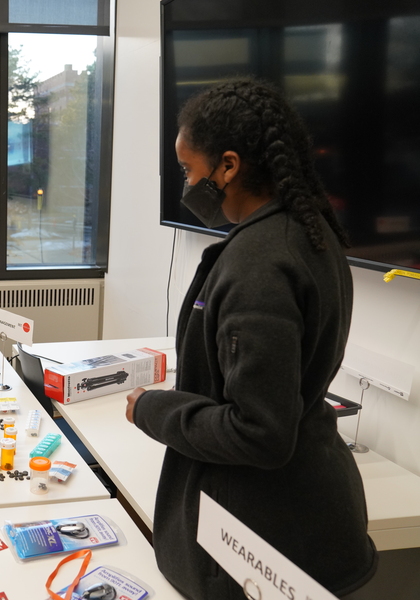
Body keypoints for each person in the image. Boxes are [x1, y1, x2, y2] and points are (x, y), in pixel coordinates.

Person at [124, 78, 378, 599]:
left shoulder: (260, 264)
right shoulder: (310, 235)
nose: (188, 185)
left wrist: (152, 409)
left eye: (190, 171)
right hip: (306, 510)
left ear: (229, 166)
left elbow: (258, 432)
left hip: (259, 537)